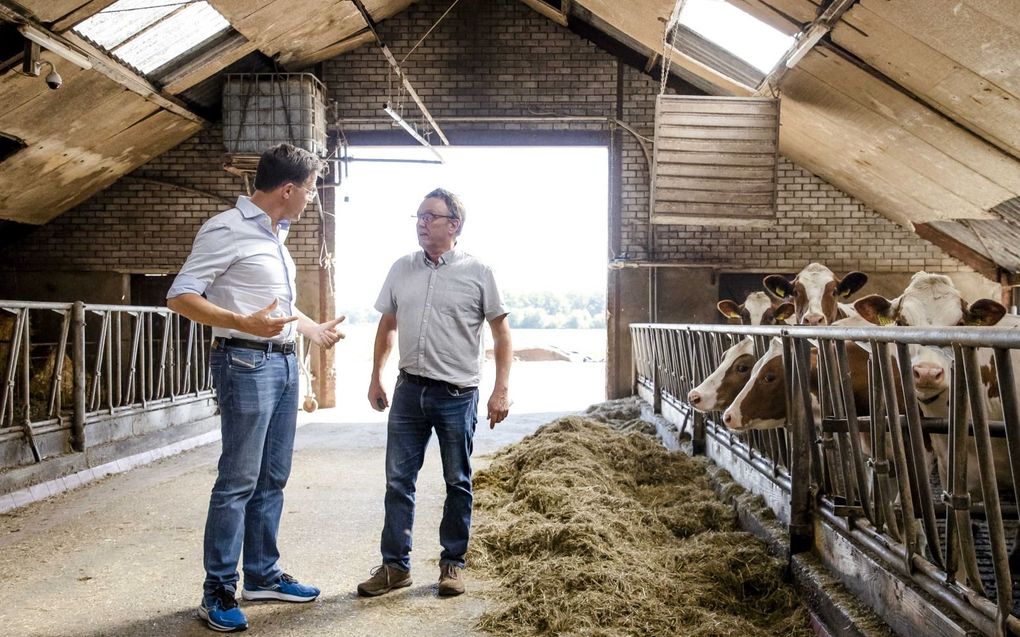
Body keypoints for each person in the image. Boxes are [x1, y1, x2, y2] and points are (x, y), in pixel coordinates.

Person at [167, 143, 345, 633]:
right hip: (244, 363)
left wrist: (311, 330)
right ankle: (218, 589)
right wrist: (240, 321)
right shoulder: (226, 228)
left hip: (284, 365)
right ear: (288, 189)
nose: (312, 198)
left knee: (273, 478)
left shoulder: (276, 234)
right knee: (238, 481)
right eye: (310, 189)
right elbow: (180, 295)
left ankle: (262, 574)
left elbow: (273, 306)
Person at [358, 187, 512, 598]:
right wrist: (376, 376)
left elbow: (501, 333)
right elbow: (387, 325)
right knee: (398, 481)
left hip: (457, 394)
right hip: (409, 390)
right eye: (419, 217)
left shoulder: (479, 272)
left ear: (453, 225)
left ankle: (452, 564)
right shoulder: (401, 268)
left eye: (431, 216)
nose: (422, 223)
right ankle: (395, 567)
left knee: (457, 480)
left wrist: (501, 390)